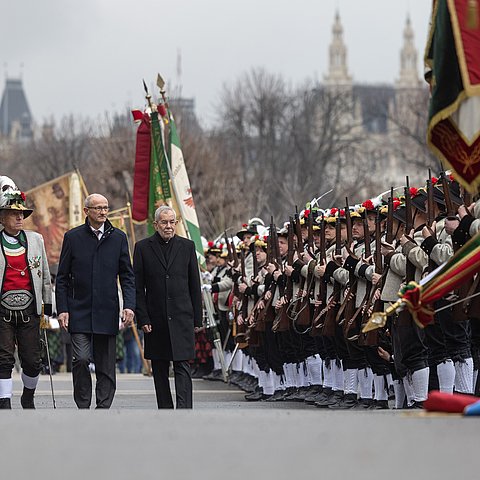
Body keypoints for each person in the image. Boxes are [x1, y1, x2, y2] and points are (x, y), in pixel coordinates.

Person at [56, 193, 135, 409]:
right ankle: (83, 404)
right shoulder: (73, 238)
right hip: (78, 310)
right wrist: (62, 309)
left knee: (106, 365)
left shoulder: (118, 237)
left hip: (107, 310)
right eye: (98, 208)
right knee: (81, 359)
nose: (102, 212)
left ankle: (103, 407)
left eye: (105, 208)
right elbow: (62, 277)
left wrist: (129, 305)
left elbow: (127, 275)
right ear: (86, 211)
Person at [133, 205, 202, 409]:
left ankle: (184, 408)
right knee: (160, 366)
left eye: (172, 222)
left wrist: (197, 319)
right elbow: (138, 287)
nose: (169, 226)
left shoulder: (187, 246)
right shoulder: (143, 247)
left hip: (182, 316)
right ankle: (165, 409)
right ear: (155, 224)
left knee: (182, 365)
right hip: (156, 318)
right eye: (164, 222)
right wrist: (143, 318)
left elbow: (194, 285)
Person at [0, 186, 52, 409]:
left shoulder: (35, 240)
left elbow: (47, 277)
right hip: (2, 311)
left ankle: (28, 396)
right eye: (14, 213)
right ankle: (4, 400)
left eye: (22, 213)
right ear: (2, 218)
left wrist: (47, 309)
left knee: (32, 361)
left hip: (30, 310)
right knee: (3, 359)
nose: (20, 217)